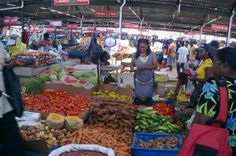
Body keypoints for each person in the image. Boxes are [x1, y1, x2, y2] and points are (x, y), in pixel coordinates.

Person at [192, 47, 236, 154]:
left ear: (225, 65)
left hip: (216, 145)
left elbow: (201, 120)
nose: (212, 65)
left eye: (215, 61)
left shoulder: (213, 87)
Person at [0, 41, 25, 156]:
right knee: (13, 143)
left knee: (13, 142)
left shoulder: (0, 45)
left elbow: (2, 67)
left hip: (4, 101)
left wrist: (13, 64)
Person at [132, 39, 157, 106]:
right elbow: (133, 66)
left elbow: (155, 66)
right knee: (138, 98)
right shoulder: (135, 55)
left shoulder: (152, 54)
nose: (142, 49)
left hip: (148, 80)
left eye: (144, 47)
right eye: (140, 47)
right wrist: (135, 69)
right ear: (138, 47)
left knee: (148, 97)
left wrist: (145, 67)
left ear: (147, 47)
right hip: (138, 80)